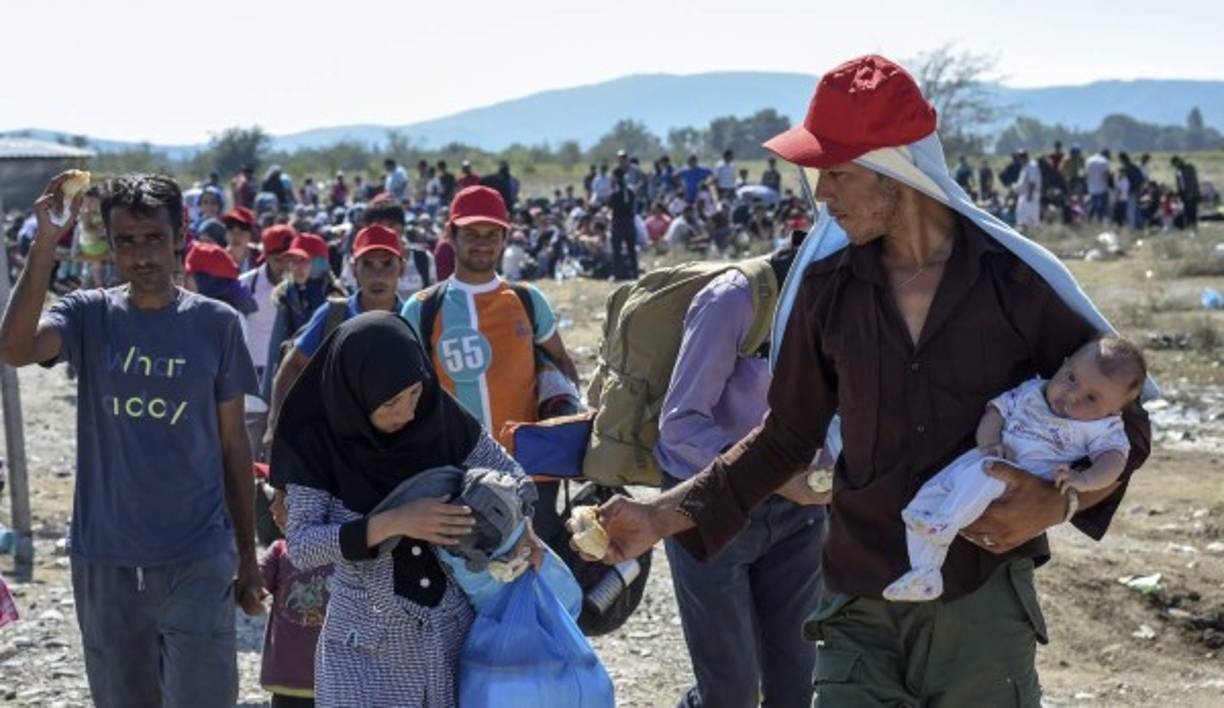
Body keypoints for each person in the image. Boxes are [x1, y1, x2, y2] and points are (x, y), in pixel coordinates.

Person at [586, 55, 1150, 706]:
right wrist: (659, 516)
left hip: (981, 605)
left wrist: (1059, 504)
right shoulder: (826, 291)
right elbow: (783, 439)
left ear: (896, 171)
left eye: (837, 173)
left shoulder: (1015, 284)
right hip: (858, 607)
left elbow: (1126, 420)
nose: (821, 194)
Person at [0, 173, 263, 707]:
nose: (141, 256)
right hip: (108, 558)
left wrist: (247, 554)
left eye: (154, 239)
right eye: (126, 241)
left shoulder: (216, 325)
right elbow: (15, 348)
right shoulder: (88, 314)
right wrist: (47, 242)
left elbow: (234, 445)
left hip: (198, 555)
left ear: (179, 237)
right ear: (111, 244)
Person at [271, 312, 541, 706]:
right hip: (362, 650)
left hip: (450, 639)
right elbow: (302, 546)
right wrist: (394, 522)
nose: (409, 413)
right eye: (390, 402)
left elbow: (513, 476)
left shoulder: (437, 413)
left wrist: (523, 528)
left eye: (414, 392)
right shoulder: (317, 442)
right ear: (356, 391)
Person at [656, 245, 826, 708]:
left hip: (799, 512)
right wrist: (770, 475)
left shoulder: (859, 306)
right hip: (709, 503)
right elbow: (680, 426)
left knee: (796, 686)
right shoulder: (733, 300)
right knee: (729, 691)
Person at [886, 337, 1145, 601]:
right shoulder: (1031, 390)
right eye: (1071, 378)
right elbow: (995, 412)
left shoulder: (1102, 427)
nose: (1073, 394)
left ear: (1114, 411)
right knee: (926, 499)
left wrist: (1085, 479)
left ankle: (945, 523)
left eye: (1091, 398)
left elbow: (1114, 460)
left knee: (984, 477)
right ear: (1064, 364)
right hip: (986, 458)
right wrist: (989, 442)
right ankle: (925, 573)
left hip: (1021, 481)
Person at [402, 186, 578, 447]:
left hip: (528, 462)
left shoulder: (528, 299)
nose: (482, 244)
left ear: (505, 238)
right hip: (456, 463)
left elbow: (561, 360)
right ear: (451, 235)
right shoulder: (421, 309)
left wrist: (571, 427)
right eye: (471, 234)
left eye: (492, 234)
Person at [266, 225, 407, 445]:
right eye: (367, 264)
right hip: (336, 445)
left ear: (402, 268)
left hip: (397, 443)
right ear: (353, 269)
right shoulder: (334, 315)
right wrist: (275, 425)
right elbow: (292, 366)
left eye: (387, 263)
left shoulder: (413, 317)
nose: (378, 275)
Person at [259, 484, 332, 708]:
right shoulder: (279, 551)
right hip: (287, 680)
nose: (273, 507)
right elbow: (256, 584)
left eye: (284, 499)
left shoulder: (342, 553)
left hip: (335, 681)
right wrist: (249, 591)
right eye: (274, 498)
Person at [240, 224, 296, 458]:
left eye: (288, 258)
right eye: (277, 258)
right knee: (252, 437)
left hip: (288, 371)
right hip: (254, 373)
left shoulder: (300, 288)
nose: (283, 265)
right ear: (266, 256)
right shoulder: (246, 284)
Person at [609, 167, 638, 280]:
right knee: (631, 250)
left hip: (618, 223)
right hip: (629, 223)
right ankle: (635, 274)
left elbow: (610, 204)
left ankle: (618, 275)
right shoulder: (630, 191)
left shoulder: (615, 192)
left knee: (617, 250)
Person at [222, 206, 260, 272]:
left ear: (250, 235)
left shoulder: (259, 258)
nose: (236, 237)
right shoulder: (220, 258)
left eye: (241, 232)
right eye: (231, 231)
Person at [1172, 155, 1201, 228]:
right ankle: (1188, 224)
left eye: (1175, 164)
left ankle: (1193, 224)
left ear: (1178, 161)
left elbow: (1193, 181)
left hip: (1192, 192)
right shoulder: (1177, 171)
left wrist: (1192, 192)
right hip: (1183, 193)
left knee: (1193, 209)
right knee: (1186, 209)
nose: (1175, 166)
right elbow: (1179, 183)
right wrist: (1179, 193)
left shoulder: (1189, 167)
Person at [1084, 149, 1112, 222]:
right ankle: (1099, 220)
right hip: (1102, 187)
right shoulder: (1104, 161)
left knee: (1093, 204)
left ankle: (1089, 219)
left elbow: (1086, 174)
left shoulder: (1089, 160)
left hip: (1091, 187)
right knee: (1102, 206)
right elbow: (1105, 175)